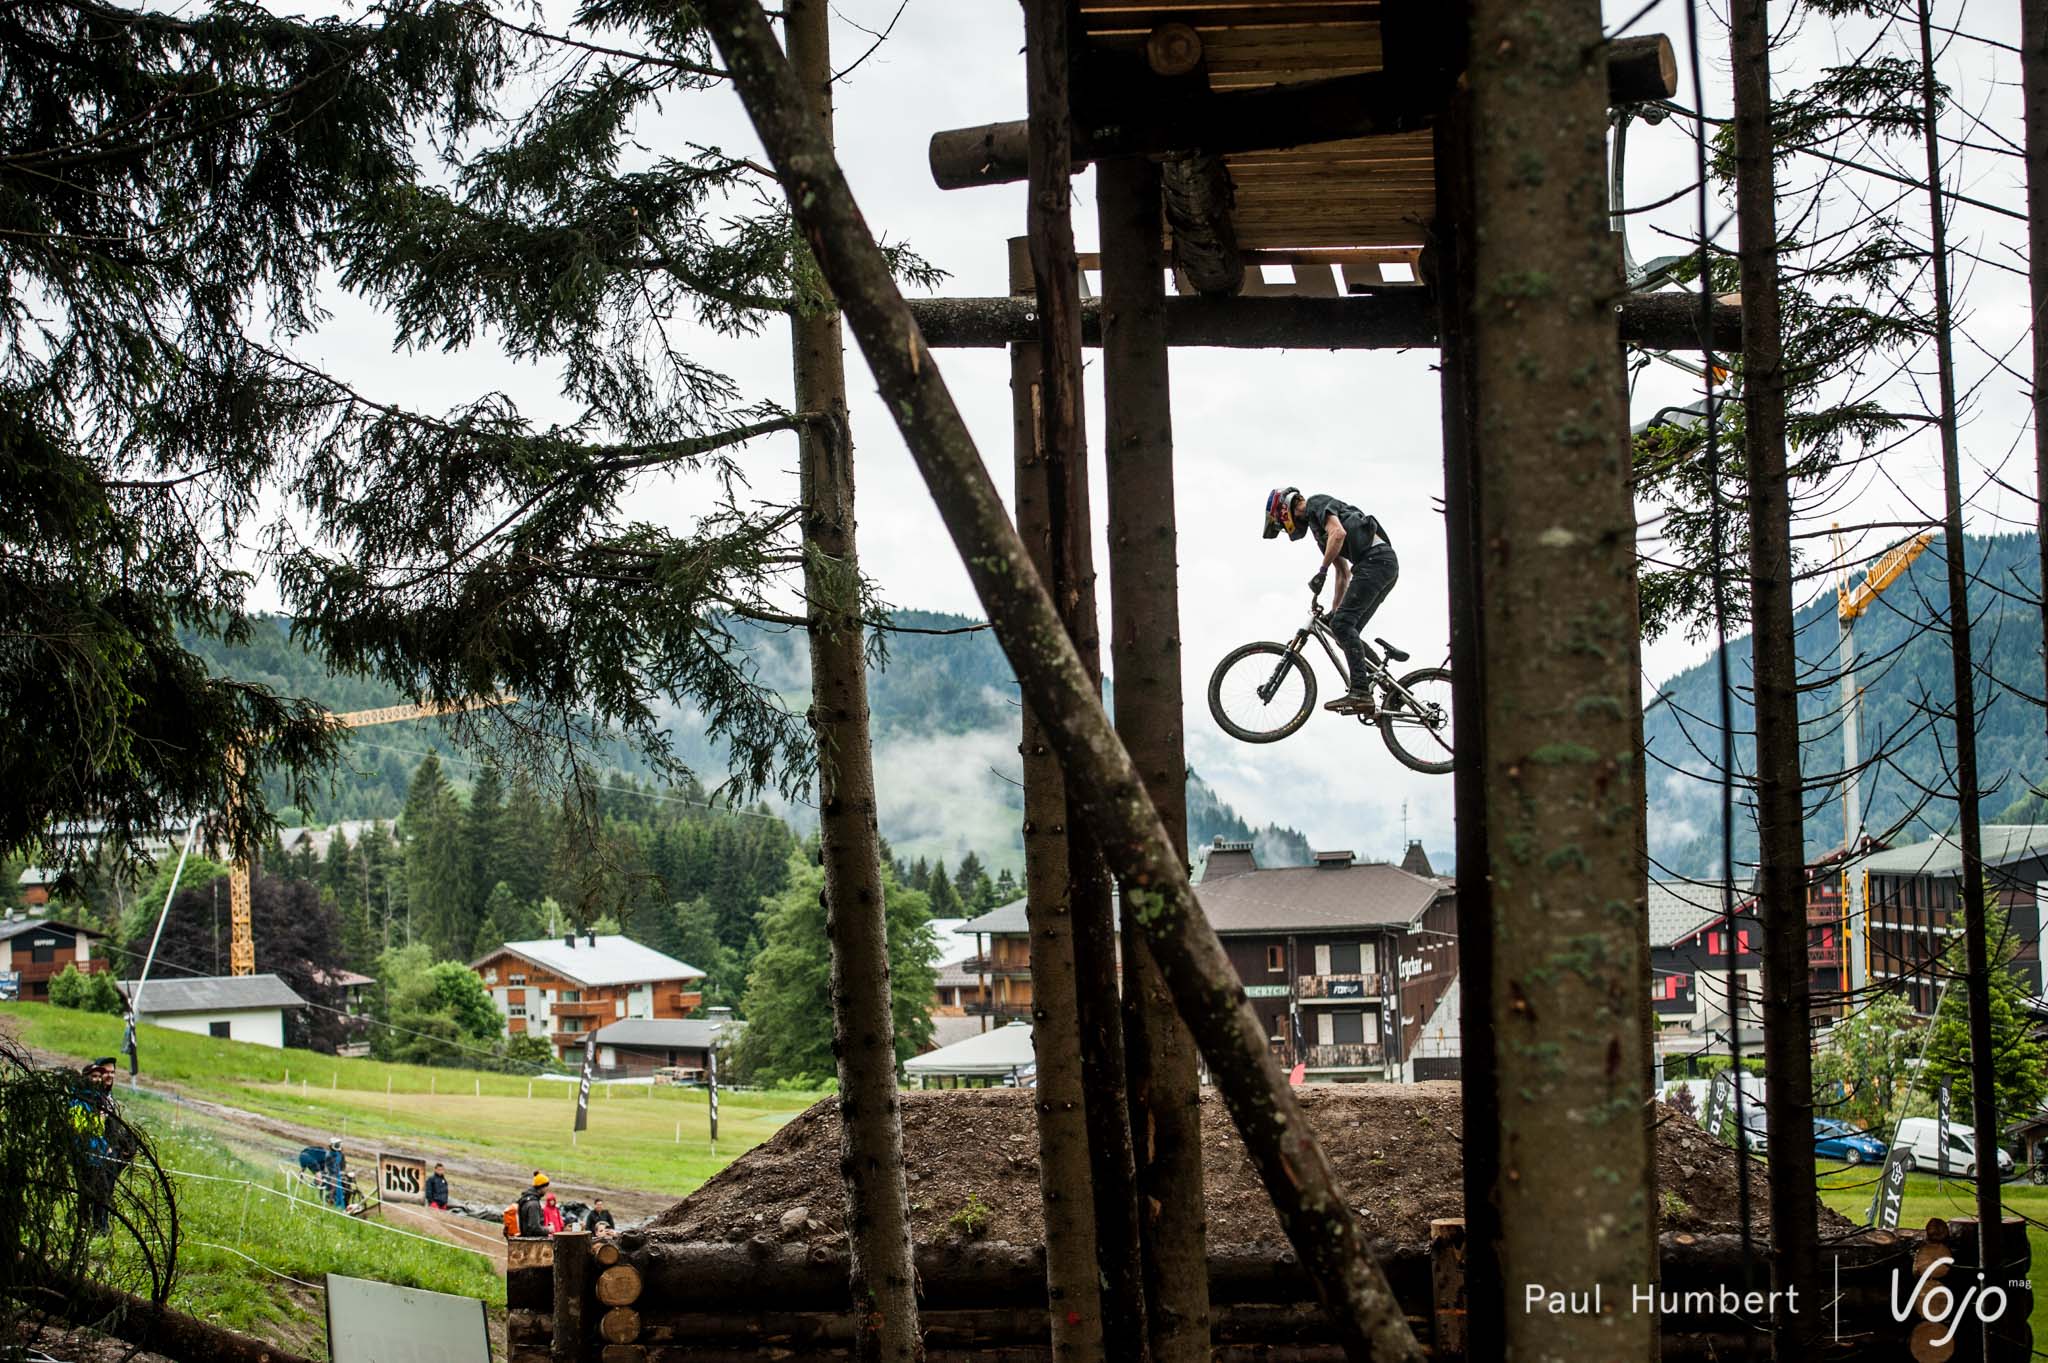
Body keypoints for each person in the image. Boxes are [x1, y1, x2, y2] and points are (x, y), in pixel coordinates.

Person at [1263, 487, 1402, 712]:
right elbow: (1343, 573)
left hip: (1375, 562)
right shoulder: (1319, 535)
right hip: (1382, 566)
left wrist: (1321, 570)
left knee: (1342, 625)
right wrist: (1335, 610)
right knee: (1343, 627)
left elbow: (1339, 533)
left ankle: (1360, 692)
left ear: (1283, 509)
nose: (1282, 527)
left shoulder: (1316, 503)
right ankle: (1391, 687)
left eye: (1279, 522)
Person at [66, 1057, 125, 1234]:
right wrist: (98, 1120)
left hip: (100, 1153)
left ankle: (99, 1227)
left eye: (103, 1075)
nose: (100, 1079)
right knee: (88, 1192)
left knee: (103, 1190)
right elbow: (79, 1127)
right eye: (95, 1076)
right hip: (86, 1153)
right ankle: (84, 1226)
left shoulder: (100, 1099)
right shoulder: (79, 1100)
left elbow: (101, 1129)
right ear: (85, 1077)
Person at [324, 1138, 349, 1209]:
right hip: (332, 1175)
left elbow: (343, 1165)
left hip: (339, 1173)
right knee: (334, 1186)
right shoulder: (329, 1155)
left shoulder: (340, 1154)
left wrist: (342, 1171)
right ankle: (330, 1201)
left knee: (346, 1183)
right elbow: (331, 1168)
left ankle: (344, 1201)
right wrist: (338, 1172)